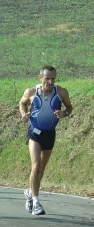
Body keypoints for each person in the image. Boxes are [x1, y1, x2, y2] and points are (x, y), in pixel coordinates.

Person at [19, 65, 73, 215]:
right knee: (36, 166)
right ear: (40, 78)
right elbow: (22, 103)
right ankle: (36, 203)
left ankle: (30, 192)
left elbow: (69, 107)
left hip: (50, 133)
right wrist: (24, 114)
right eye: (47, 78)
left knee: (41, 169)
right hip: (34, 133)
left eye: (53, 79)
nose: (50, 82)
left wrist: (65, 113)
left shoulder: (61, 92)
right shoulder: (31, 92)